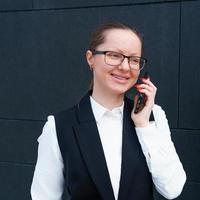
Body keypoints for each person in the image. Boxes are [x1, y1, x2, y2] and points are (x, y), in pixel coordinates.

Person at [31, 22, 186, 200]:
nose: (125, 67)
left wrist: (143, 126)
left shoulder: (153, 117)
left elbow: (172, 189)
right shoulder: (58, 126)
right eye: (114, 55)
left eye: (134, 60)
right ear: (90, 58)